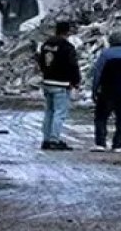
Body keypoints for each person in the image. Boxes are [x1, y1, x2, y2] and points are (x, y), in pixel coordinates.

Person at [37, 21, 80, 151]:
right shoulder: (67, 47)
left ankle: (46, 139)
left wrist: (46, 73)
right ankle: (54, 140)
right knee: (59, 112)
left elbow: (40, 61)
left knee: (49, 111)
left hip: (48, 82)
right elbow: (73, 65)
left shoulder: (46, 45)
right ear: (67, 32)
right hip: (61, 84)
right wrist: (75, 81)